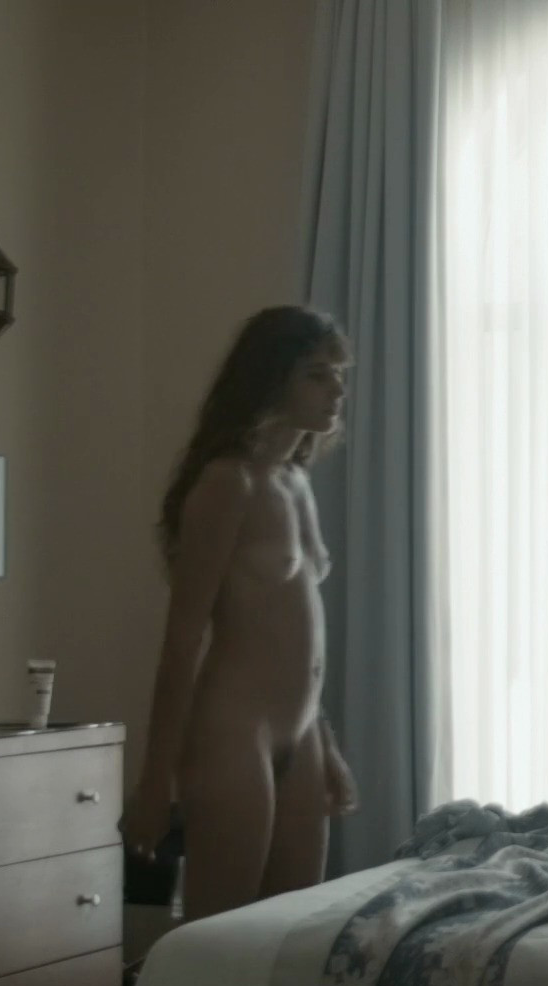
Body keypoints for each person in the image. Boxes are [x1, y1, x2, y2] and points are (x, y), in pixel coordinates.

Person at [123, 306, 360, 921]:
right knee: (219, 934)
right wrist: (155, 781)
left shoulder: (295, 482)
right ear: (270, 379)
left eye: (338, 374)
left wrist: (328, 746)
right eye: (317, 374)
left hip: (301, 731)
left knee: (290, 931)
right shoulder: (228, 484)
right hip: (234, 731)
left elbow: (297, 640)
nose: (336, 389)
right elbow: (182, 640)